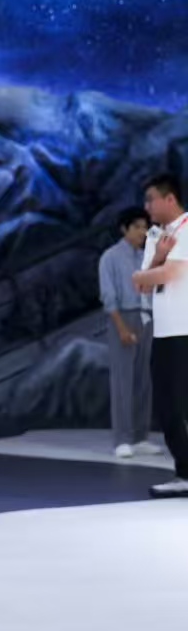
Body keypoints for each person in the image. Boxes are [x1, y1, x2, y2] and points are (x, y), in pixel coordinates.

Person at [134, 173, 188, 497]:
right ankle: (184, 471)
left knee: (180, 404)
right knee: (168, 406)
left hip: (185, 330)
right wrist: (156, 259)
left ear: (170, 199)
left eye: (151, 199)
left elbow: (171, 272)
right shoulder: (156, 235)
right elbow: (142, 284)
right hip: (164, 332)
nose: (147, 207)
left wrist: (152, 270)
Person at [98, 207, 161, 459]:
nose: (142, 232)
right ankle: (122, 439)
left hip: (147, 316)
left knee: (144, 379)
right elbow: (108, 296)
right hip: (122, 316)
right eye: (137, 227)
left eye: (145, 227)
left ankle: (140, 437)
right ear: (124, 229)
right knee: (123, 380)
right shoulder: (110, 257)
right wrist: (121, 327)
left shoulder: (146, 256)